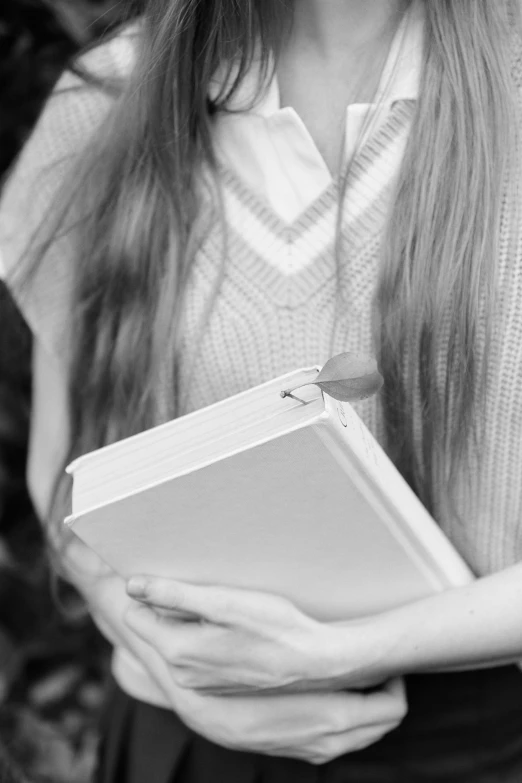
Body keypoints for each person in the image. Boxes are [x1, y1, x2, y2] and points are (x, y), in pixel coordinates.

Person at [2, 0, 522, 780]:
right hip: (180, 728)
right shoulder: (112, 96)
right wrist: (159, 649)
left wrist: (345, 650)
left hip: (484, 741)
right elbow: (65, 473)